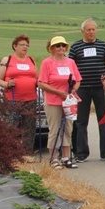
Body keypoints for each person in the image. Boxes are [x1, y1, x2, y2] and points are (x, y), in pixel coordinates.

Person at [68, 18, 105, 162]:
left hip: (99, 88)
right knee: (81, 121)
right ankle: (81, 153)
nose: (91, 32)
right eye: (88, 30)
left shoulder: (103, 45)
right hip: (82, 88)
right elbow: (70, 66)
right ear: (82, 31)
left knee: (103, 120)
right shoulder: (75, 47)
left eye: (94, 29)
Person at [38, 36, 81, 169]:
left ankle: (66, 157)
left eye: (63, 45)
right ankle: (53, 158)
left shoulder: (70, 62)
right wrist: (57, 92)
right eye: (57, 46)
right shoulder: (47, 63)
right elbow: (41, 83)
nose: (61, 48)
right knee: (55, 129)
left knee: (68, 128)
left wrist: (73, 90)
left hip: (68, 100)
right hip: (53, 101)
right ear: (52, 49)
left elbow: (78, 79)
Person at [0, 34, 38, 150]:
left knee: (29, 127)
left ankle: (26, 152)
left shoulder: (31, 60)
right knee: (11, 126)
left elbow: (36, 77)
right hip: (12, 99)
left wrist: (38, 83)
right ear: (15, 46)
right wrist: (7, 84)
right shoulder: (7, 59)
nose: (25, 47)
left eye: (27, 45)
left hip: (31, 98)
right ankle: (10, 152)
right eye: (22, 45)